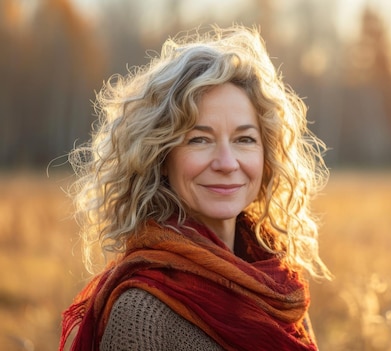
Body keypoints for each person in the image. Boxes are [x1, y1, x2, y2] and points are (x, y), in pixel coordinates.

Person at [59, 25, 332, 351]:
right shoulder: (141, 313)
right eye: (199, 139)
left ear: (267, 155)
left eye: (244, 139)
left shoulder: (277, 290)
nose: (227, 162)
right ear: (160, 156)